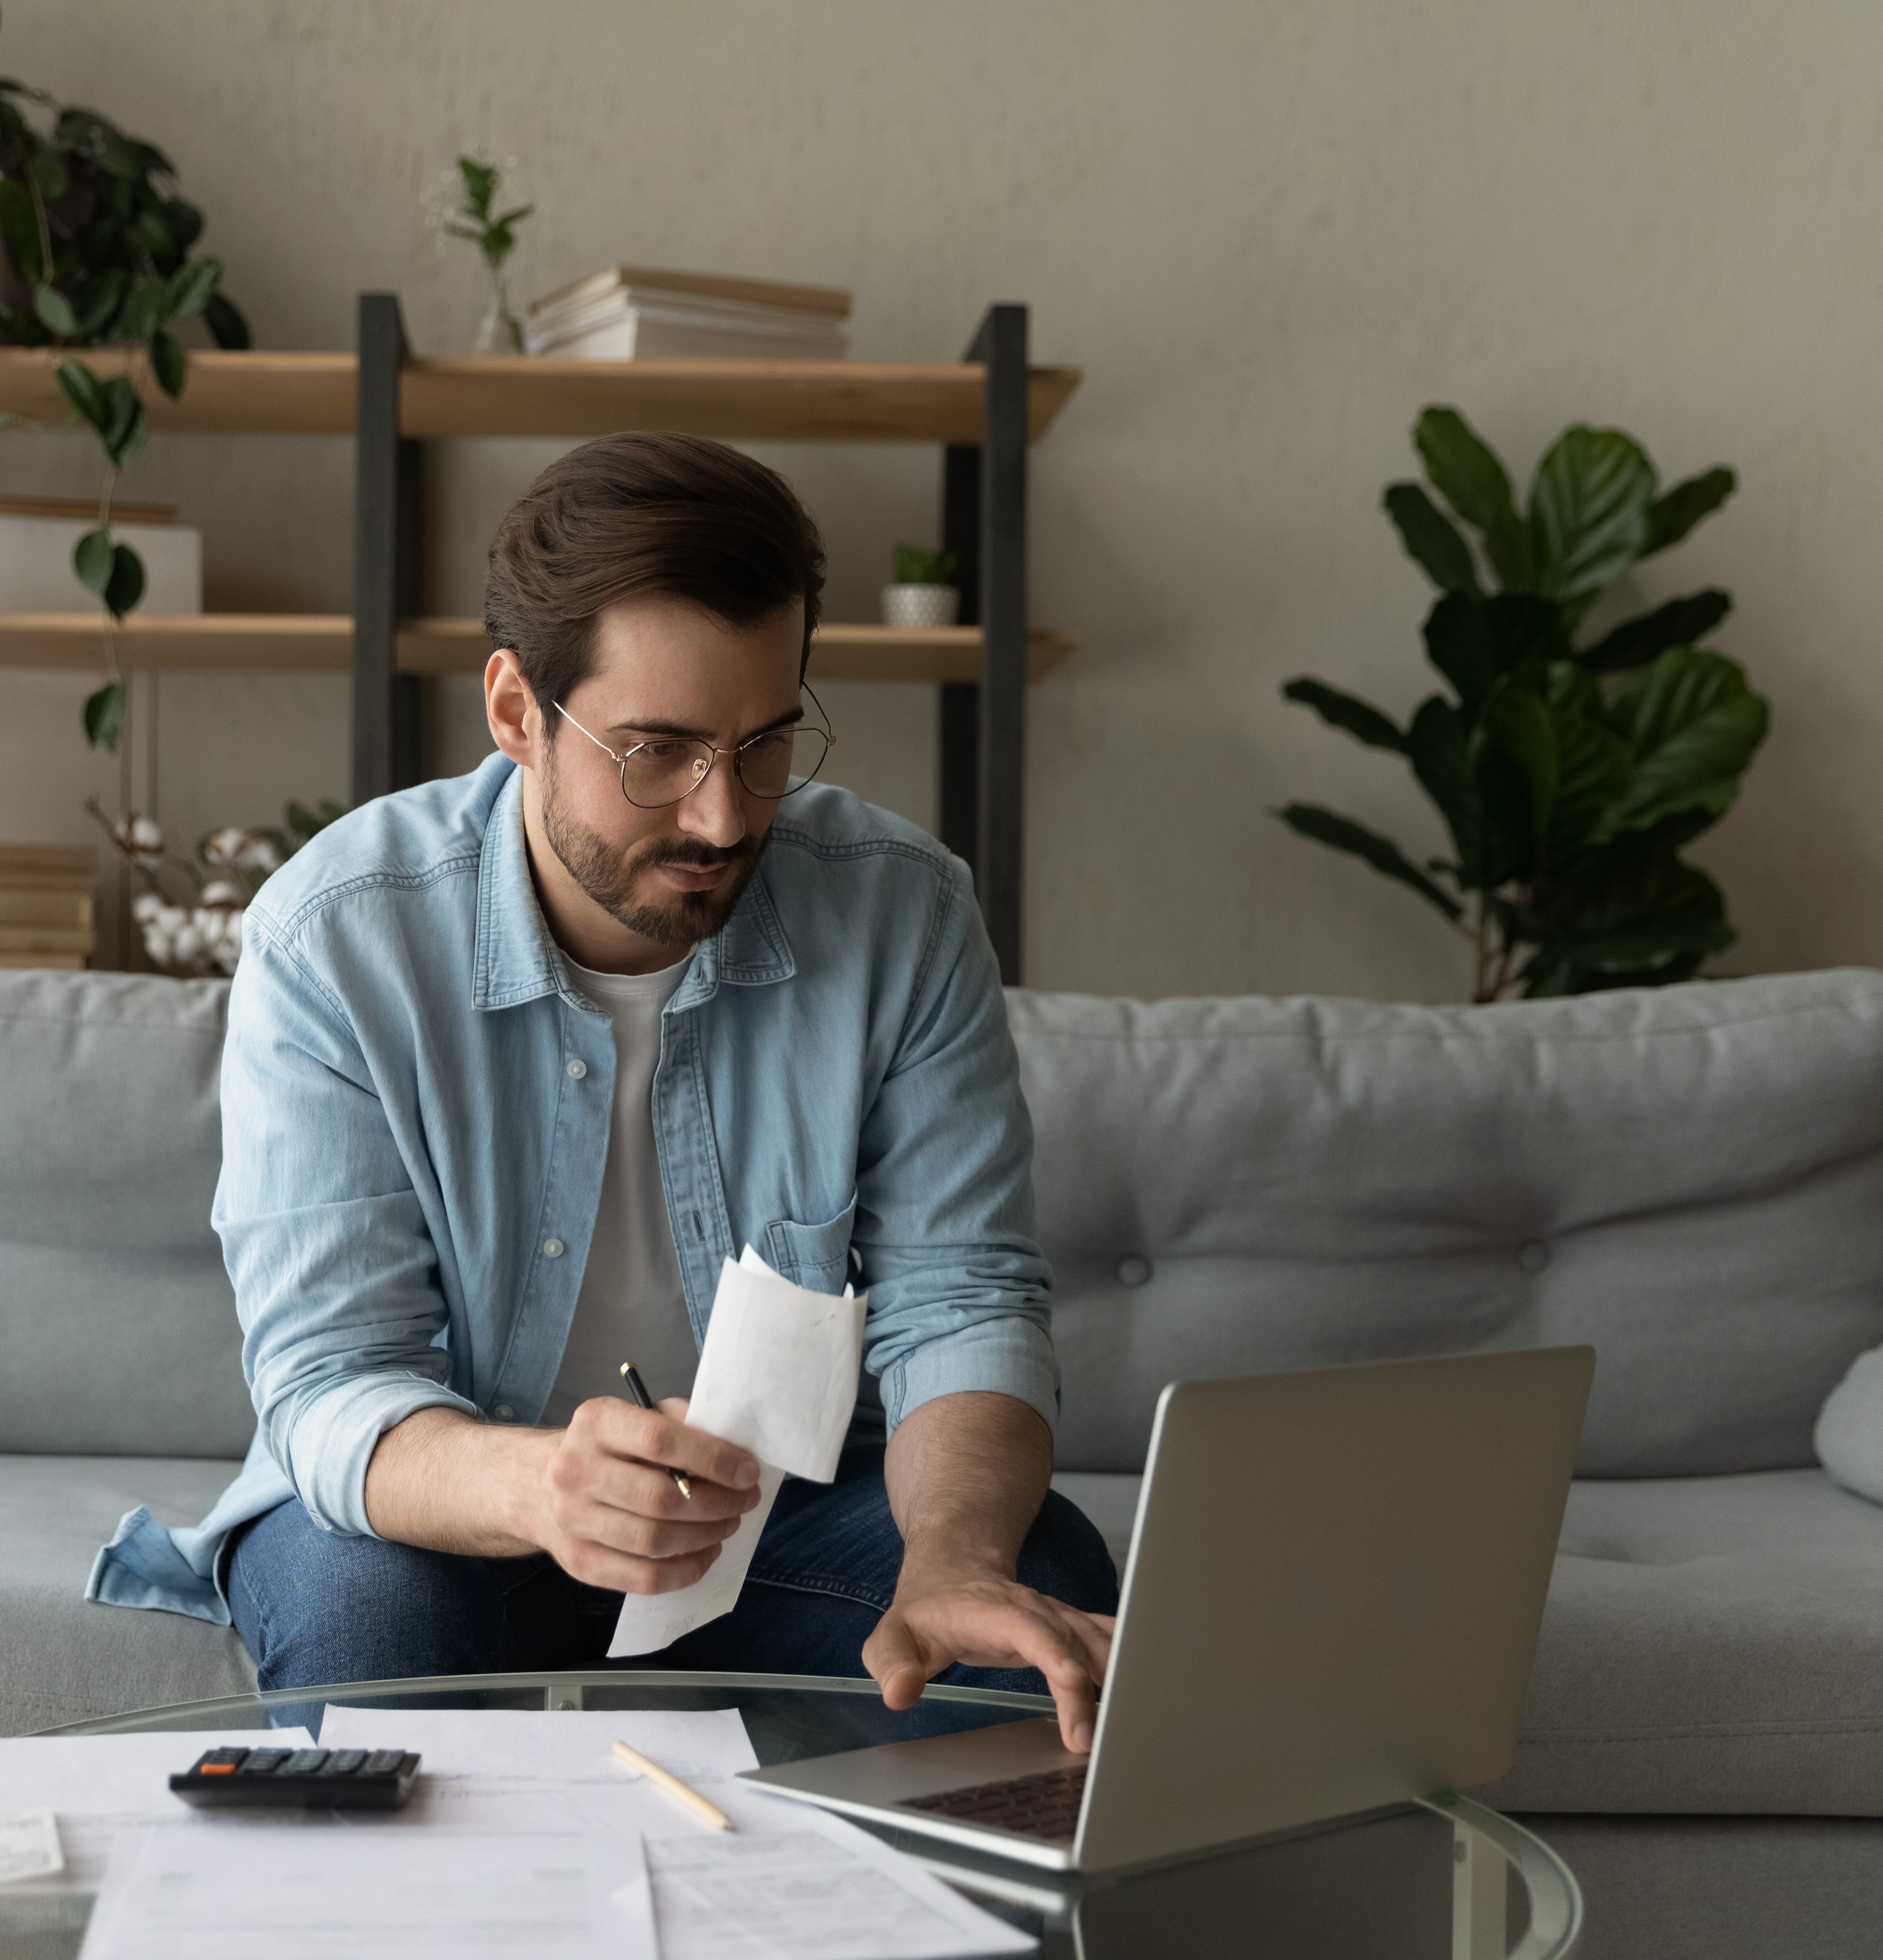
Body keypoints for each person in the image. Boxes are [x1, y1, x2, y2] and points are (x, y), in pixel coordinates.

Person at [89, 431, 1120, 1746]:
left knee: (1043, 1598)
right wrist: (544, 1488)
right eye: (659, 752)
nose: (724, 817)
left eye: (763, 745)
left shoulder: (902, 914)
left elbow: (961, 1300)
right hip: (438, 1514)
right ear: (518, 711)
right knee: (374, 1623)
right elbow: (333, 1385)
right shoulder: (337, 940)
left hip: (777, 1523)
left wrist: (958, 1561)